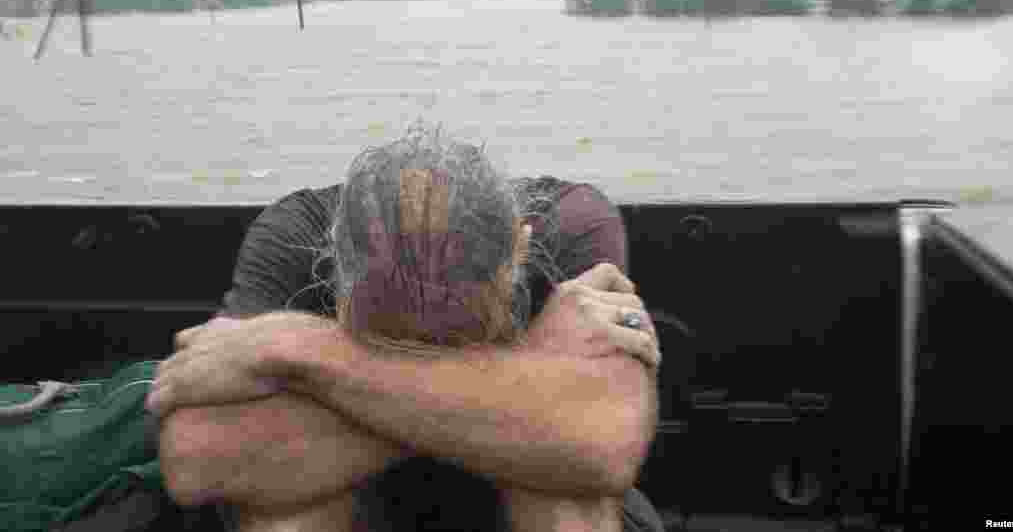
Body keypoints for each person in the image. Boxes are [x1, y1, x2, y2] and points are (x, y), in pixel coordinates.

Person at [149, 123, 664, 531]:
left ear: (519, 253)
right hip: (349, 489)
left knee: (567, 497)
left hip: (511, 487)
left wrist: (292, 349)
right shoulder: (293, 232)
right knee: (285, 506)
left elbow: (605, 447)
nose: (424, 355)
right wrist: (531, 382)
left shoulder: (573, 227)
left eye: (451, 339)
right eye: (394, 338)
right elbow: (194, 457)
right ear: (332, 265)